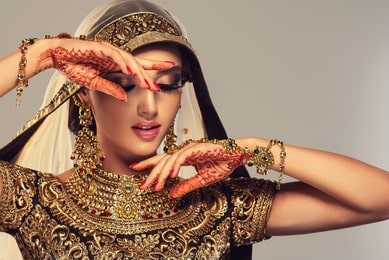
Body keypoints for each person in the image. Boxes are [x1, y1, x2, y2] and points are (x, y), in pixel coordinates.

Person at [0, 0, 388, 259]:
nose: (150, 105)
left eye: (169, 84)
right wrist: (42, 54)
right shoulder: (35, 201)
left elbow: (380, 198)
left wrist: (254, 150)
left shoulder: (214, 208)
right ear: (85, 94)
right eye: (127, 83)